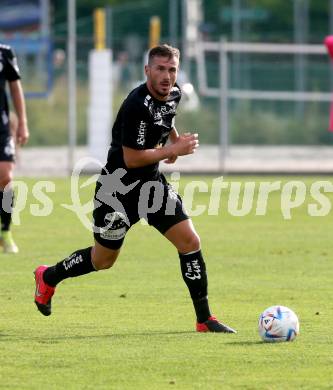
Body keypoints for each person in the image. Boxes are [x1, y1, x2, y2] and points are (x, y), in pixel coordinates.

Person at [34, 44, 236, 333]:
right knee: (102, 260)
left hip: (152, 188)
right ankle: (49, 276)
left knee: (190, 242)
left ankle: (204, 319)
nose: (167, 76)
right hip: (117, 193)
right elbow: (132, 158)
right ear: (147, 71)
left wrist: (173, 141)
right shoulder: (135, 105)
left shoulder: (174, 92)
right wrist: (172, 150)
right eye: (160, 69)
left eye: (172, 69)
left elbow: (168, 115)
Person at [0, 43, 29, 253]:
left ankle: (5, 231)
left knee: (5, 175)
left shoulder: (5, 52)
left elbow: (15, 88)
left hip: (1, 126)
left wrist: (22, 122)